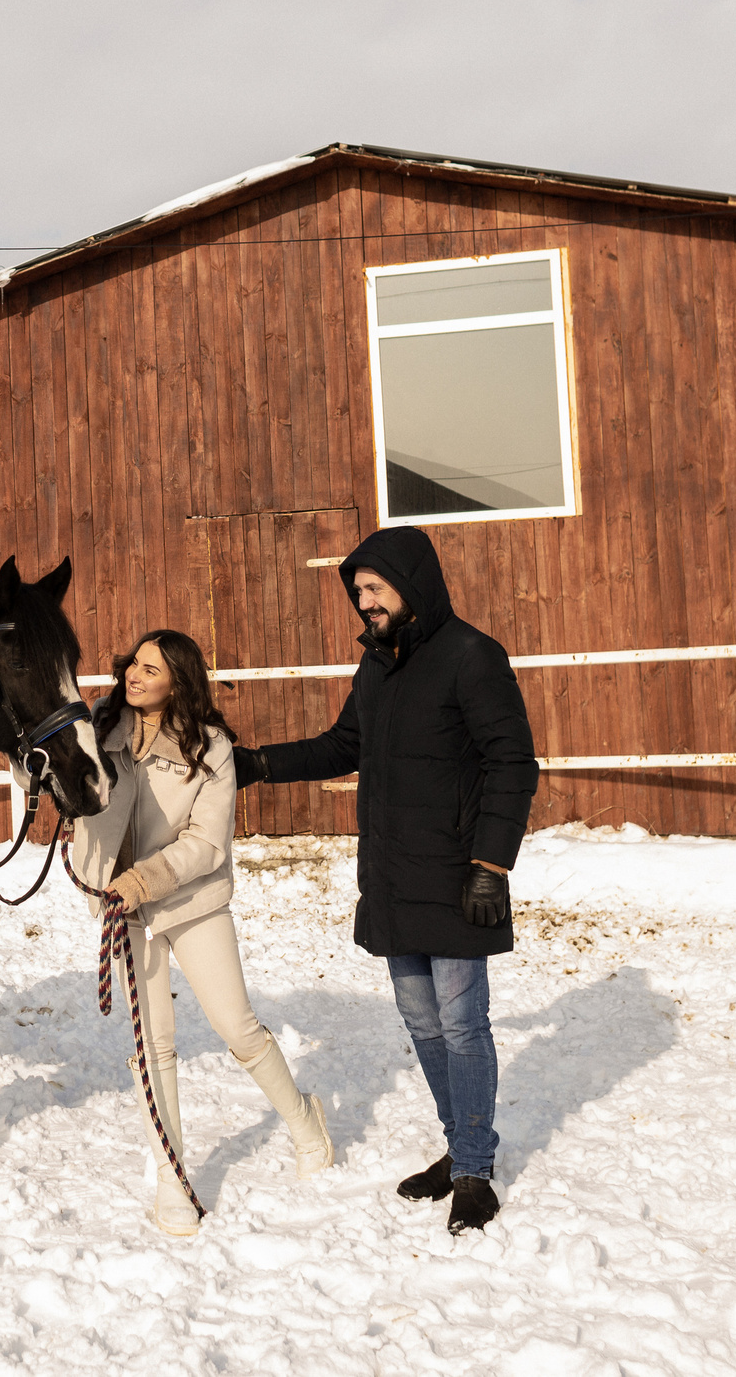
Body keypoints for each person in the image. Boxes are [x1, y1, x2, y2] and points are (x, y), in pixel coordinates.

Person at [232, 527, 538, 1235]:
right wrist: (261, 764)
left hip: (459, 875)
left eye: (374, 588)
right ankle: (459, 1146)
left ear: (411, 583)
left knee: (462, 1025)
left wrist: (492, 865)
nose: (364, 601)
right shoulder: (377, 666)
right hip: (394, 876)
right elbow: (345, 744)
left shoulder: (472, 656)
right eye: (358, 591)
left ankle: (474, 1171)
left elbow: (512, 762)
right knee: (423, 1023)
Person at [69, 628, 334, 1236]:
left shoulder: (210, 747)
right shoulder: (98, 727)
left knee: (237, 1027)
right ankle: (172, 1180)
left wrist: (145, 878)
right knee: (153, 1045)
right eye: (134, 663)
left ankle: (304, 1121)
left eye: (152, 669)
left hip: (191, 901)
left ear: (178, 683)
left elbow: (207, 842)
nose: (135, 675)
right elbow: (52, 776)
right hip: (122, 909)